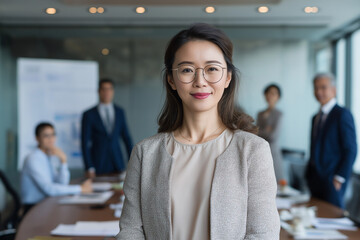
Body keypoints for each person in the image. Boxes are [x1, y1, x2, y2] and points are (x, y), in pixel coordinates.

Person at [117, 23, 280, 240]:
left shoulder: (253, 150)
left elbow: (262, 235)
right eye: (186, 70)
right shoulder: (145, 153)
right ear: (171, 80)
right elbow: (130, 231)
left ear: (228, 77)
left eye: (212, 69)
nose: (200, 81)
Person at [306, 73, 357, 208]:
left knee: (332, 218)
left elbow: (351, 149)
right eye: (316, 88)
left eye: (323, 87)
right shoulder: (315, 117)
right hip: (314, 179)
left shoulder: (342, 114)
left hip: (332, 179)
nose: (318, 92)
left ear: (334, 90)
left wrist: (339, 178)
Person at [21, 122, 92, 214]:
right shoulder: (33, 159)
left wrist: (63, 161)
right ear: (37, 138)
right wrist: (80, 189)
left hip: (47, 204)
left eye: (53, 135)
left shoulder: (48, 156)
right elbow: (49, 189)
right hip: (34, 208)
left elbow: (62, 184)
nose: (51, 139)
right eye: (46, 136)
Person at [81, 78, 133, 178]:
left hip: (117, 160)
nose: (107, 92)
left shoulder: (119, 112)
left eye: (109, 89)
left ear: (113, 91)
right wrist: (89, 166)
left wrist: (133, 161)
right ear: (99, 91)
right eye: (104, 89)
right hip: (98, 161)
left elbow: (126, 137)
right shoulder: (89, 114)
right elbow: (84, 142)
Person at [257, 84, 284, 182]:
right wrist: (266, 130)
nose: (270, 96)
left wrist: (260, 131)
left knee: (275, 183)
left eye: (273, 93)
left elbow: (273, 136)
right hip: (260, 153)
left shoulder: (279, 114)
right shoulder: (260, 114)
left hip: (273, 154)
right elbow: (254, 133)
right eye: (268, 93)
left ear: (278, 97)